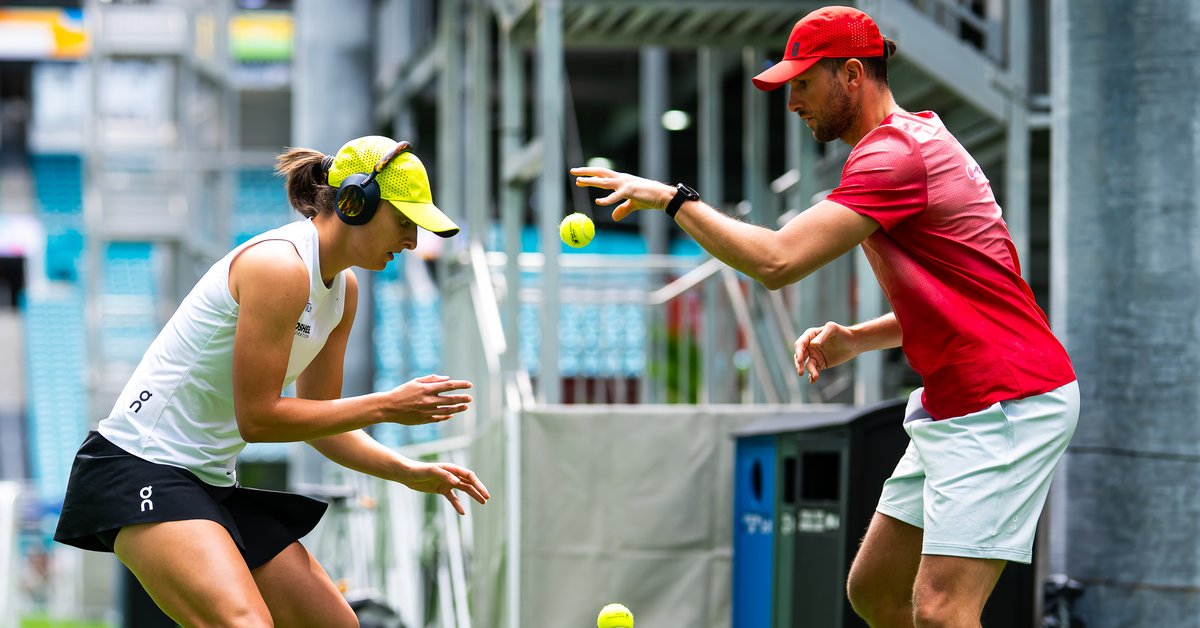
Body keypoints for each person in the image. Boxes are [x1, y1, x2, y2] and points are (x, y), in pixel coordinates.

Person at [572, 6, 1077, 627]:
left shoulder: (894, 156)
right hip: (963, 397)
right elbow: (972, 298)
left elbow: (778, 261)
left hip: (1005, 399)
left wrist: (673, 200)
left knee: (944, 612)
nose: (793, 102)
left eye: (803, 84)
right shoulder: (917, 138)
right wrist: (858, 339)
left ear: (853, 74)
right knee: (876, 591)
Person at [54, 136, 490, 627]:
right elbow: (259, 419)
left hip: (209, 481)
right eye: (405, 222)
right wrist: (386, 406)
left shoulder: (343, 291)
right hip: (139, 467)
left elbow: (319, 420)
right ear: (355, 202)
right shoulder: (279, 266)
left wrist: (405, 471)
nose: (412, 242)